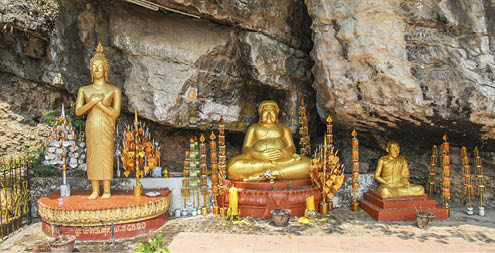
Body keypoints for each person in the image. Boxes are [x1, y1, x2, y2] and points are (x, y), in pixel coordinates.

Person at [75, 42, 122, 199]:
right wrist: (92, 103)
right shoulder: (84, 90)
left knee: (106, 154)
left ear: (106, 69)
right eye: (94, 66)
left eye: (99, 66)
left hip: (106, 126)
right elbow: (78, 111)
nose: (96, 69)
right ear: (90, 69)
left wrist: (100, 104)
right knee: (93, 155)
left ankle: (107, 189)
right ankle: (95, 189)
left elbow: (115, 113)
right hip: (92, 125)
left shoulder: (114, 90)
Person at [227, 100, 310, 181]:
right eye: (266, 110)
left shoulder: (283, 128)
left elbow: (292, 148)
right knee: (233, 167)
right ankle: (274, 171)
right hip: (259, 162)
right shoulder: (254, 128)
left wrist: (283, 154)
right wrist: (260, 155)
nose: (269, 113)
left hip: (282, 160)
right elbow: (245, 148)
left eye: (272, 110)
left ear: (277, 113)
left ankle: (265, 175)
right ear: (260, 113)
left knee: (309, 164)